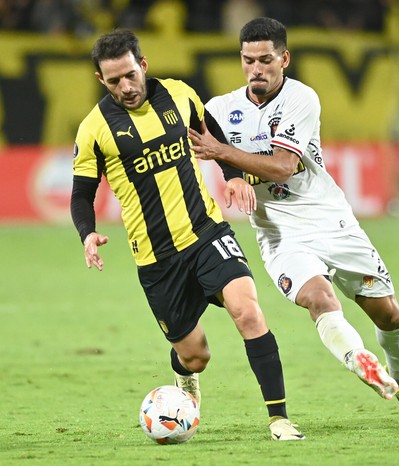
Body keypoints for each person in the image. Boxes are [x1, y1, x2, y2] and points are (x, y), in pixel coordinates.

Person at [188, 17, 399, 427]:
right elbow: (203, 141)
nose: (256, 69)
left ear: (284, 58)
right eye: (248, 60)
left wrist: (223, 156)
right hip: (280, 234)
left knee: (388, 315)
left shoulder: (301, 98)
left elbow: (282, 168)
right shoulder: (220, 109)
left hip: (330, 220)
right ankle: (360, 361)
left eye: (265, 59)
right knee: (319, 300)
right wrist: (230, 177)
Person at [70, 29, 304, 441]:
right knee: (196, 356)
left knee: (248, 312)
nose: (125, 87)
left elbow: (213, 139)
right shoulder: (94, 129)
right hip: (157, 260)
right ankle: (184, 375)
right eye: (113, 81)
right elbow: (81, 194)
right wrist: (87, 234)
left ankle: (279, 418)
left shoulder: (179, 94)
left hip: (205, 232)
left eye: (129, 75)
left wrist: (233, 176)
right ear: (100, 80)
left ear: (142, 65)